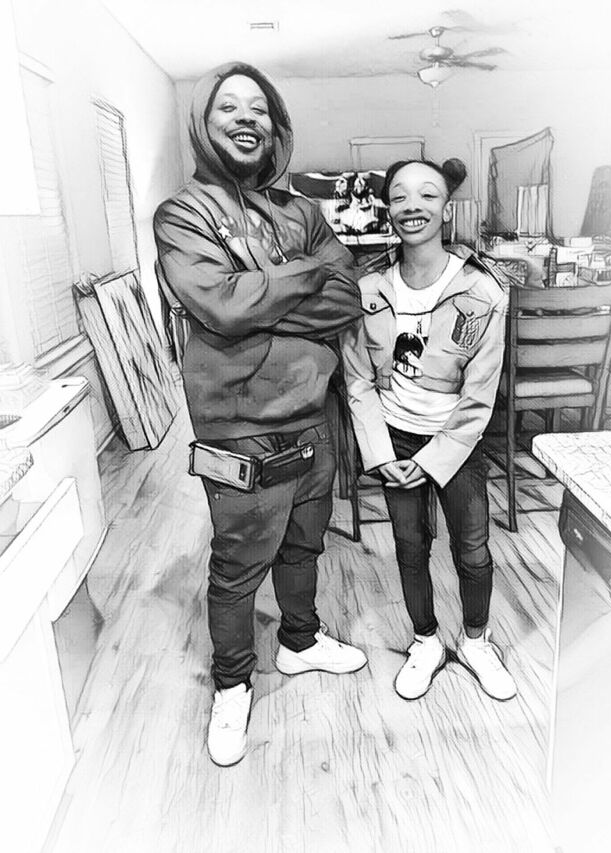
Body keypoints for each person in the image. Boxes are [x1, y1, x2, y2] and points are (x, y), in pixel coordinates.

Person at [154, 62, 367, 767]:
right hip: (241, 430)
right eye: (229, 107)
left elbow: (346, 298)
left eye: (259, 109)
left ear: (275, 128)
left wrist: (260, 297)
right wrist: (305, 276)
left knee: (305, 544)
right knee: (238, 566)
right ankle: (232, 682)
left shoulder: (302, 213)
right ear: (204, 123)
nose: (247, 118)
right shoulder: (183, 215)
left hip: (315, 418)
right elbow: (219, 306)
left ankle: (300, 641)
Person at [341, 158, 517, 703]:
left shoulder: (483, 292)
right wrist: (380, 455)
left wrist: (433, 460)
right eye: (399, 196)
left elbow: (479, 396)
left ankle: (476, 641)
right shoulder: (366, 289)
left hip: (456, 444)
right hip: (393, 441)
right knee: (409, 546)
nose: (412, 206)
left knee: (473, 549)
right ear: (387, 209)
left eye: (427, 195)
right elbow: (357, 380)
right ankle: (426, 641)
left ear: (446, 209)